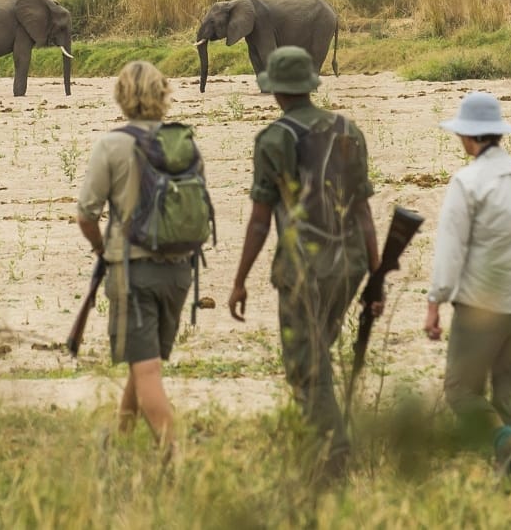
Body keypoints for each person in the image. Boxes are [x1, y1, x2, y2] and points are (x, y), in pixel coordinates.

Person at [226, 45, 381, 482]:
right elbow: (364, 209)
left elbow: (260, 219)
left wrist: (239, 281)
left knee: (305, 365)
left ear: (275, 91)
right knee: (318, 357)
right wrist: (376, 272)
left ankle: (334, 455)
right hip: (349, 266)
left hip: (302, 269)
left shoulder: (273, 140)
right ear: (310, 87)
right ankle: (320, 446)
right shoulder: (348, 129)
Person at [423, 91, 511, 478]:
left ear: (469, 137)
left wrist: (435, 301)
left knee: (461, 391)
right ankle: (509, 478)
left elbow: (451, 249)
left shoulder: (467, 182)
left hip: (482, 305)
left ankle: (505, 444)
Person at [75, 60, 199, 453]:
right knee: (144, 360)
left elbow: (86, 215)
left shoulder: (111, 145)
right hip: (180, 272)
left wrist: (102, 249)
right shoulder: (183, 141)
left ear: (122, 96)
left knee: (146, 369)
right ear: (163, 94)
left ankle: (171, 451)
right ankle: (120, 437)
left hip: (133, 271)